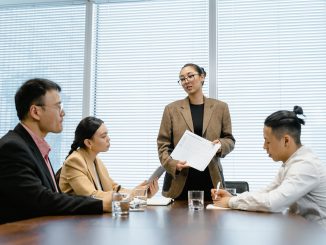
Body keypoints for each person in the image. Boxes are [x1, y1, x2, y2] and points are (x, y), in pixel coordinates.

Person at [0, 78, 111, 224]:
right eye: (58, 106)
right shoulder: (13, 147)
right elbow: (41, 200)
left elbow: (52, 196)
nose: (63, 113)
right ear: (35, 111)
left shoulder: (34, 147)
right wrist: (100, 204)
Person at [211, 106, 326, 228]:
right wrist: (234, 198)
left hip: (317, 236)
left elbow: (272, 202)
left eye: (268, 141)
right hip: (301, 230)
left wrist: (230, 202)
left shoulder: (305, 165)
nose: (264, 146)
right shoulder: (291, 163)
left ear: (286, 140)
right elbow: (267, 191)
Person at [157, 63, 235, 200]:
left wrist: (221, 145)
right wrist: (173, 164)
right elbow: (162, 144)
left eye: (190, 76)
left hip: (210, 178)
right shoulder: (171, 109)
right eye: (182, 79)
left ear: (202, 77)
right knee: (175, 220)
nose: (186, 81)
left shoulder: (220, 107)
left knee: (213, 220)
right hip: (179, 179)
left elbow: (230, 139)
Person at [59, 116, 159, 199]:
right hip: (77, 220)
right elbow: (91, 196)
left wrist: (140, 193)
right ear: (88, 143)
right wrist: (133, 194)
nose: (108, 139)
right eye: (103, 136)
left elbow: (115, 189)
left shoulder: (97, 161)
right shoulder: (75, 161)